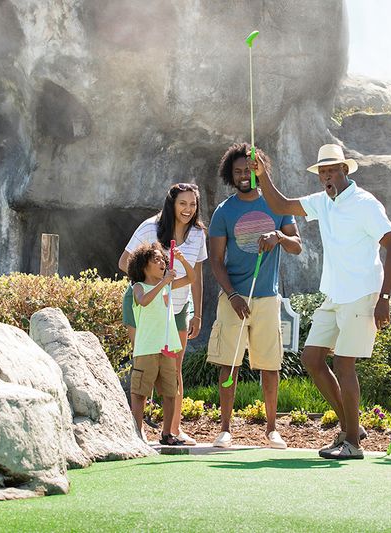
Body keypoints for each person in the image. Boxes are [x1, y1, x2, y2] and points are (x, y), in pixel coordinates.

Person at [253, 144, 391, 460]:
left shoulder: (365, 204)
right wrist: (262, 175)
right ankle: (351, 428)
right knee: (312, 358)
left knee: (343, 364)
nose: (327, 176)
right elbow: (281, 204)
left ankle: (353, 444)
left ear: (345, 170)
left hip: (362, 294)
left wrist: (384, 298)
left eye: (332, 170)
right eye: (323, 172)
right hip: (334, 295)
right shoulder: (323, 202)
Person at [206, 142, 302, 450]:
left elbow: (297, 245)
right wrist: (232, 295)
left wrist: (279, 236)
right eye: (237, 171)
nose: (243, 176)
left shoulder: (277, 205)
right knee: (229, 364)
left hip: (267, 298)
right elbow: (216, 261)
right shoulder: (224, 211)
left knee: (270, 365)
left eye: (248, 170)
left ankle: (272, 430)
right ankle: (225, 429)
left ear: (259, 170)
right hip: (233, 299)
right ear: (230, 174)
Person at [118, 183, 207, 445]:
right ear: (172, 204)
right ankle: (137, 432)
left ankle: (172, 430)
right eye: (182, 203)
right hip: (145, 312)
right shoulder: (150, 228)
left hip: (177, 307)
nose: (188, 209)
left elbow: (196, 276)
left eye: (193, 204)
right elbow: (124, 262)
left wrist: (197, 314)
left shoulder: (198, 234)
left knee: (173, 369)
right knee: (144, 365)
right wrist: (151, 285)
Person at [127, 241, 196, 445]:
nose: (162, 263)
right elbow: (144, 300)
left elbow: (191, 278)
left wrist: (182, 260)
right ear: (143, 265)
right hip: (147, 348)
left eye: (163, 259)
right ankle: (137, 434)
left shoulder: (167, 285)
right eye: (155, 259)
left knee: (170, 392)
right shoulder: (138, 286)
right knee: (140, 393)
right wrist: (164, 282)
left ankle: (167, 434)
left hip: (167, 347)